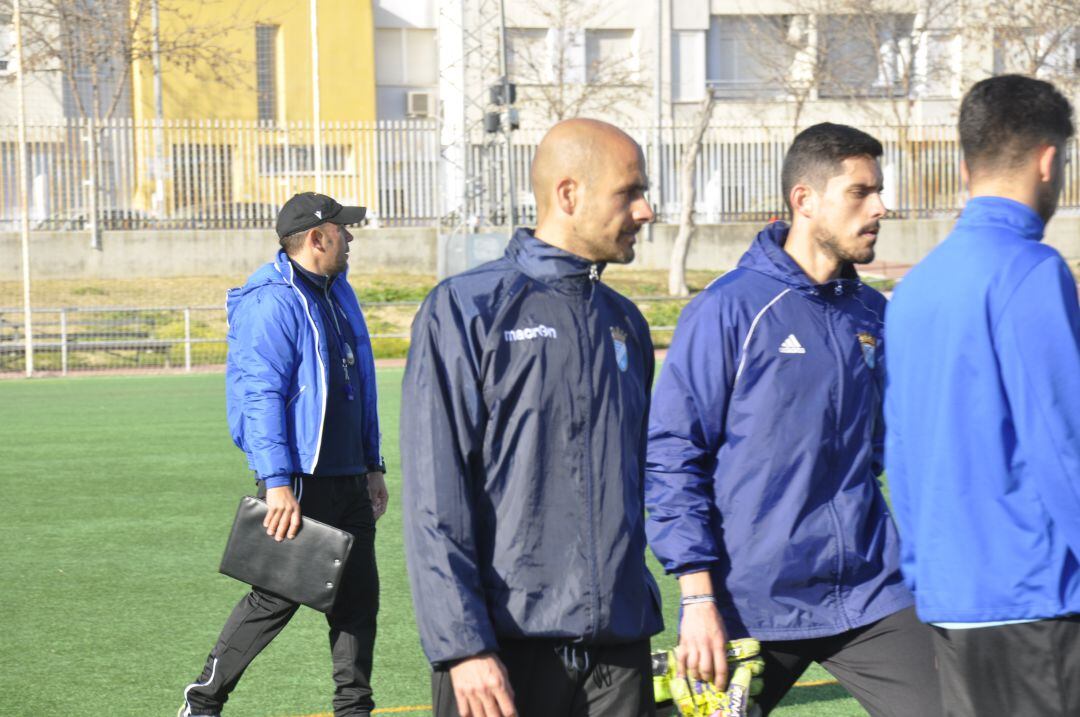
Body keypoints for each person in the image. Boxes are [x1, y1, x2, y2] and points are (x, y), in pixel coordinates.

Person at [645, 123, 940, 716]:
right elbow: (675, 454)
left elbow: (883, 445)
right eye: (861, 192)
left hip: (867, 593)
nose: (881, 206)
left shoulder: (872, 312)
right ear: (803, 199)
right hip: (749, 601)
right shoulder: (728, 309)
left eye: (878, 191)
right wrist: (698, 599)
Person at [400, 118, 664, 717]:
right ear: (569, 195)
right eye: (630, 192)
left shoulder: (625, 323)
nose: (646, 210)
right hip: (502, 655)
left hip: (620, 649)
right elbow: (434, 499)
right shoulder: (465, 310)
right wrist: (463, 647)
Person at [884, 75, 1080, 716]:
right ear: (1050, 160)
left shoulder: (914, 287)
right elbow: (1063, 443)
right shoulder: (1030, 269)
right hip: (1035, 599)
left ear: (966, 164)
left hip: (950, 600)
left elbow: (902, 453)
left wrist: (926, 576)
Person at [179, 192, 388, 717]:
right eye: (345, 229)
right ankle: (201, 704)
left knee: (359, 601)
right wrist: (276, 483)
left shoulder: (339, 292)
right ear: (318, 237)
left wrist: (372, 464)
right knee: (274, 598)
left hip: (348, 476)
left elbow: (359, 383)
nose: (352, 237)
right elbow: (261, 394)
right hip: (299, 479)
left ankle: (353, 709)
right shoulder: (272, 299)